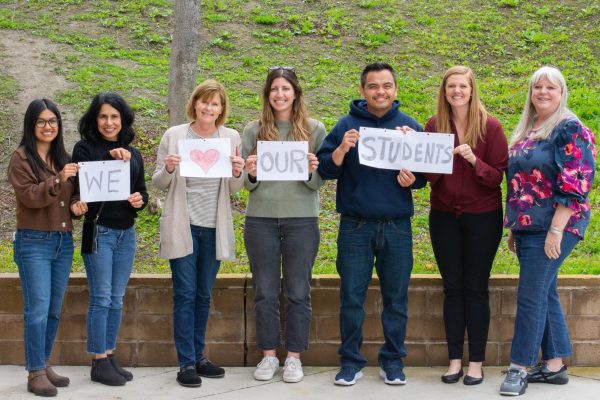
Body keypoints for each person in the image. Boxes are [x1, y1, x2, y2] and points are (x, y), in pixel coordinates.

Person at [317, 62, 426, 386]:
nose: (381, 91)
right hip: (355, 226)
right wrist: (341, 149)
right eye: (374, 86)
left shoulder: (409, 126)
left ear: (396, 89)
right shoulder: (347, 124)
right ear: (363, 90)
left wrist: (412, 178)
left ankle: (393, 362)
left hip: (397, 226)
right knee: (351, 297)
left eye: (387, 85)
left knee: (397, 298)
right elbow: (325, 170)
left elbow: (423, 177)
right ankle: (350, 362)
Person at [500, 66, 596, 396]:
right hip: (529, 226)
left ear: (561, 93)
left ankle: (519, 368)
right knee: (544, 290)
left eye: (550, 88)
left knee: (531, 295)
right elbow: (519, 184)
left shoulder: (569, 128)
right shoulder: (529, 130)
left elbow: (576, 182)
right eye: (537, 87)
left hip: (558, 223)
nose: (542, 92)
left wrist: (556, 230)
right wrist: (515, 227)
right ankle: (554, 366)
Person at [152, 80, 245, 388]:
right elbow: (158, 183)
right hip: (183, 225)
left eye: (215, 104)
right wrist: (167, 168)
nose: (209, 108)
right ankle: (186, 362)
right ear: (194, 103)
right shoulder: (175, 135)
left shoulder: (230, 137)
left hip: (213, 226)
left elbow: (235, 188)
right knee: (185, 294)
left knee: (203, 294)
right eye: (204, 102)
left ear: (222, 109)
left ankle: (200, 356)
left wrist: (236, 170)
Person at [423, 66, 508, 385]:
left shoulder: (491, 128)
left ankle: (477, 363)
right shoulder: (434, 126)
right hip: (443, 215)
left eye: (462, 86)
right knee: (452, 288)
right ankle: (454, 360)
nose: (456, 91)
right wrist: (412, 155)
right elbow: (428, 176)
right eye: (450, 87)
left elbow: (497, 179)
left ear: (472, 90)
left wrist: (474, 160)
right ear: (444, 92)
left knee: (476, 288)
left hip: (481, 217)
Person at [242, 66, 326, 383]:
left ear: (295, 93)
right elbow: (246, 185)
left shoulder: (314, 130)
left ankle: (293, 357)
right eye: (274, 89)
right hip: (260, 219)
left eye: (285, 89)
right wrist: (250, 172)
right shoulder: (253, 131)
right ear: (268, 94)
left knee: (297, 291)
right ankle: (268, 356)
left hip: (302, 219)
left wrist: (310, 169)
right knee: (264, 290)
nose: (280, 94)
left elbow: (317, 183)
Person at [8, 99, 87, 397]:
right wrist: (59, 178)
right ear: (31, 125)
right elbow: (30, 198)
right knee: (37, 309)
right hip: (34, 242)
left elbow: (71, 198)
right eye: (41, 121)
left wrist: (79, 206)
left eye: (52, 120)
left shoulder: (62, 157)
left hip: (62, 243)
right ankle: (35, 372)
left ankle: (44, 363)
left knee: (54, 310)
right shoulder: (21, 159)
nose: (48, 126)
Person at [72, 92, 148, 386]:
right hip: (99, 232)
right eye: (103, 116)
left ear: (123, 120)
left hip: (126, 233)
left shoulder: (134, 154)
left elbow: (142, 190)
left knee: (116, 299)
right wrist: (109, 156)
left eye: (114, 117)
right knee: (101, 298)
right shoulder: (84, 149)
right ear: (95, 119)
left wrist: (140, 199)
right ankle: (98, 360)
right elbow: (85, 183)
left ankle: (110, 353)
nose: (108, 122)